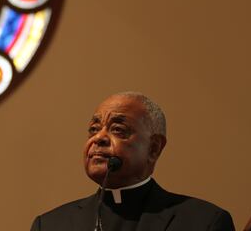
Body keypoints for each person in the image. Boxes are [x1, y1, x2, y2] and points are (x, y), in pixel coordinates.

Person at [30, 92, 235, 230]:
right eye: (94, 129)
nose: (98, 138)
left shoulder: (203, 222)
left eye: (118, 129)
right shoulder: (51, 225)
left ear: (153, 148)